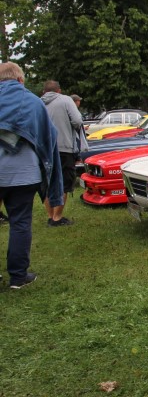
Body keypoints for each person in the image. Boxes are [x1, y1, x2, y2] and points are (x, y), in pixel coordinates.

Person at [0, 62, 63, 288]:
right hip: (23, 175)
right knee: (20, 223)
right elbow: (48, 139)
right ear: (20, 80)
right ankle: (18, 277)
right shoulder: (33, 103)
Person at [41, 80, 84, 226]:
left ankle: (50, 215)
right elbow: (78, 121)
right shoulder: (65, 100)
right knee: (64, 182)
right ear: (59, 91)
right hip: (63, 147)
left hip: (44, 150)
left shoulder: (38, 103)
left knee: (46, 183)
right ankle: (57, 217)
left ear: (44, 92)